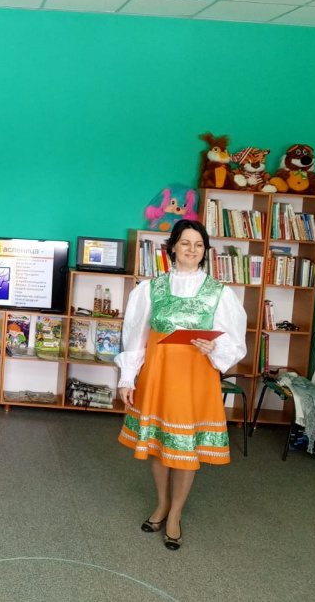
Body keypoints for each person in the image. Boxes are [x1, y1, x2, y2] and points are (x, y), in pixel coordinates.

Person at [116, 219, 247, 551]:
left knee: (185, 448)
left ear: (205, 251)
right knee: (159, 443)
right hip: (157, 375)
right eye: (186, 243)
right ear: (172, 247)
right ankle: (162, 504)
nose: (192, 249)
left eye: (199, 244)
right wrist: (127, 378)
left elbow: (234, 342)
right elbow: (135, 335)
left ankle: (175, 514)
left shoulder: (220, 293)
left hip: (195, 377)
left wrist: (214, 347)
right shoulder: (150, 289)